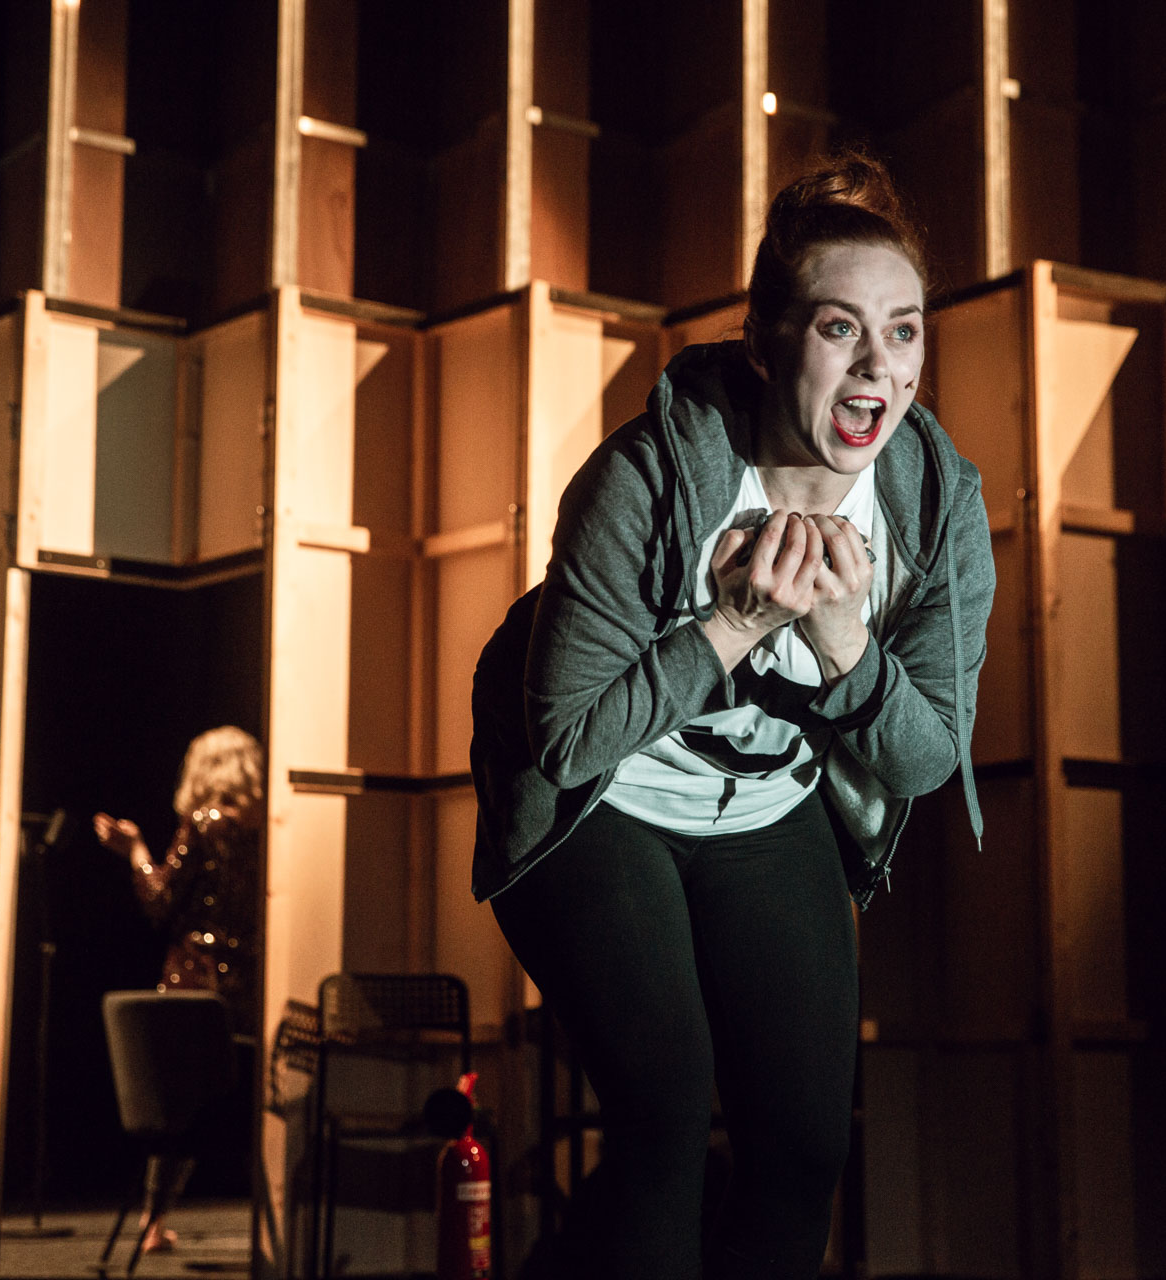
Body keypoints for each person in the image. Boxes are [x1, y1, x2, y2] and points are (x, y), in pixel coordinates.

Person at [469, 153, 992, 1279]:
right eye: (841, 329)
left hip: (763, 804)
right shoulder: (647, 474)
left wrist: (846, 643)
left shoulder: (936, 505)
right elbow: (567, 735)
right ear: (765, 343)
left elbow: (928, 756)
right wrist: (735, 623)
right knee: (663, 1114)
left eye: (903, 332)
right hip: (602, 800)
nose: (879, 367)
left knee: (803, 1145)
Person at [94, 724, 263, 1255]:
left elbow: (160, 898)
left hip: (194, 979)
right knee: (245, 1098)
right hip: (249, 979)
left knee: (176, 1109)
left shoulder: (203, 822)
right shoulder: (267, 827)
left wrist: (135, 849)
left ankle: (153, 1219)